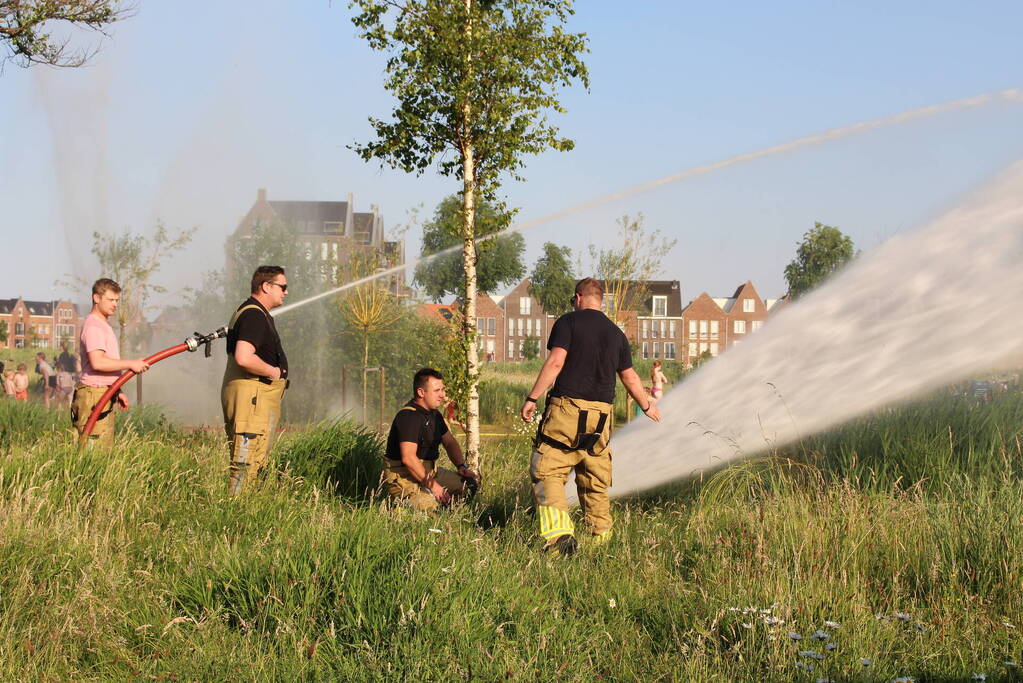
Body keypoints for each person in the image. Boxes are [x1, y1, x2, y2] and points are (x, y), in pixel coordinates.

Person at [520, 277, 662, 555]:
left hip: (567, 410)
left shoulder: (568, 322)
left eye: (574, 301)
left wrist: (532, 398)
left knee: (548, 469)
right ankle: (601, 540)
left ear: (578, 297)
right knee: (594, 478)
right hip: (601, 417)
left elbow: (556, 362)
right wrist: (647, 406)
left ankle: (559, 536)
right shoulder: (616, 334)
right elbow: (630, 377)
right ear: (601, 300)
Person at [222, 265, 290, 495]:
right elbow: (244, 356)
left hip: (254, 400)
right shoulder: (253, 315)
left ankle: (242, 510)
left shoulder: (255, 313)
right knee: (245, 464)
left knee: (253, 462)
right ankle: (234, 513)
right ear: (266, 286)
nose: (286, 292)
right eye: (283, 286)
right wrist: (273, 371)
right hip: (252, 401)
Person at [382, 368, 480, 511]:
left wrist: (461, 466)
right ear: (421, 392)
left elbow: (449, 442)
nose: (443, 395)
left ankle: (452, 512)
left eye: (443, 389)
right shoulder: (408, 417)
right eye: (437, 391)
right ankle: (400, 510)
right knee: (432, 511)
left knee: (469, 485)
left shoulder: (435, 415)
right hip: (404, 478)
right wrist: (435, 487)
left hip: (430, 473)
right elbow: (408, 458)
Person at [73, 278, 151, 446]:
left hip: (103, 393)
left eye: (117, 300)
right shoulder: (94, 326)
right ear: (96, 298)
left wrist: (117, 391)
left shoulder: (103, 325)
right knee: (92, 451)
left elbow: (104, 368)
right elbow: (98, 363)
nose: (115, 304)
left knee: (103, 450)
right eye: (110, 300)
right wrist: (131, 364)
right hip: (93, 396)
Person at [55, 341, 80, 406]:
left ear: (62, 347)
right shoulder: (69, 354)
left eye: (60, 346)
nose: (59, 347)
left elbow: (61, 365)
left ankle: (60, 407)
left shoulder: (62, 355)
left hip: (65, 374)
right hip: (72, 374)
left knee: (62, 390)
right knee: (71, 391)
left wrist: (57, 362)